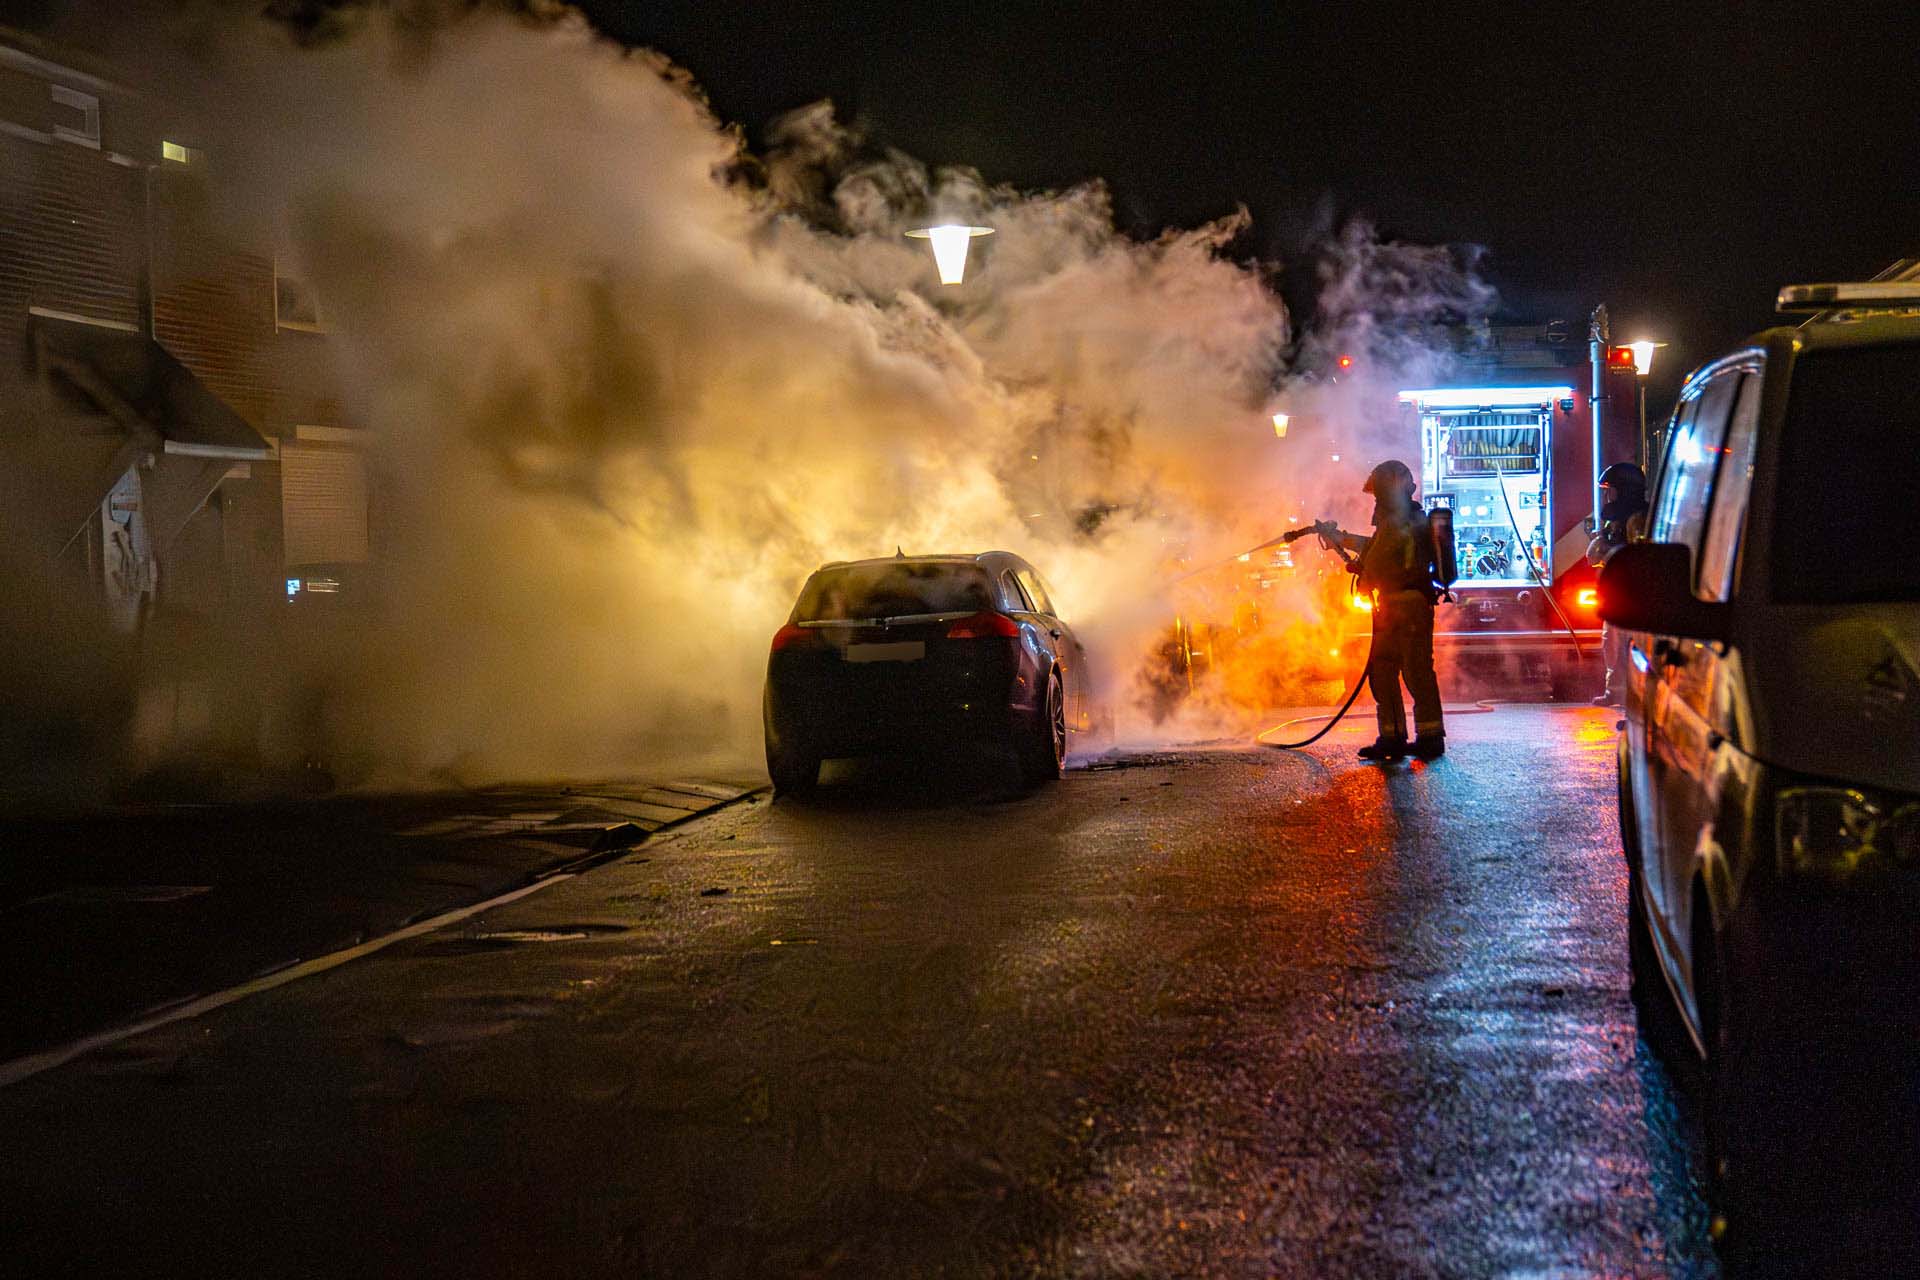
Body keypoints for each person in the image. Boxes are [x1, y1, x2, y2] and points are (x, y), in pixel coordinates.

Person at [1319, 459, 1446, 761]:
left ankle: (1417, 739)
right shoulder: (1402, 519)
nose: (1375, 499)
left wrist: (1364, 577)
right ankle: (1401, 737)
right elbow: (1374, 548)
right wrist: (1341, 539)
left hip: (1405, 606)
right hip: (1400, 605)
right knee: (1389, 669)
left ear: (1389, 489)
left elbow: (1377, 560)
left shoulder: (1397, 521)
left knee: (1409, 670)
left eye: (1378, 492)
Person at [1587, 462, 1650, 704]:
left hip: (1635, 592)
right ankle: (1615, 691)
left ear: (1625, 490)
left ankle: (1638, 698)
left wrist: (1609, 550)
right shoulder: (1614, 517)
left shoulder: (1639, 518)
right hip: (1616, 589)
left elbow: (1638, 552)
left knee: (1637, 646)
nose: (1606, 494)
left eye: (1610, 489)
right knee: (1611, 642)